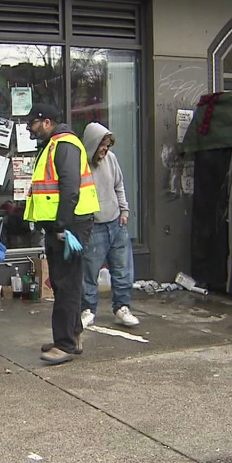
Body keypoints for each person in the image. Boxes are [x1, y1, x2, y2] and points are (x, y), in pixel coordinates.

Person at [24, 104, 100, 365]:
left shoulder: (64, 145)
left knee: (66, 283)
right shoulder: (54, 145)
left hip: (70, 226)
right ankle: (72, 336)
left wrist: (62, 227)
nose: (30, 129)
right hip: (64, 225)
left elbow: (70, 189)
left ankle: (64, 344)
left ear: (46, 122)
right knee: (62, 282)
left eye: (33, 124)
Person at [80, 123, 139, 328]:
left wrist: (124, 211)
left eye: (107, 146)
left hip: (116, 221)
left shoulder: (111, 159)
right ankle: (87, 309)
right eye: (102, 146)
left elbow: (118, 185)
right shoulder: (81, 165)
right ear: (92, 145)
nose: (105, 150)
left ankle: (122, 307)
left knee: (122, 269)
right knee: (89, 272)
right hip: (94, 225)